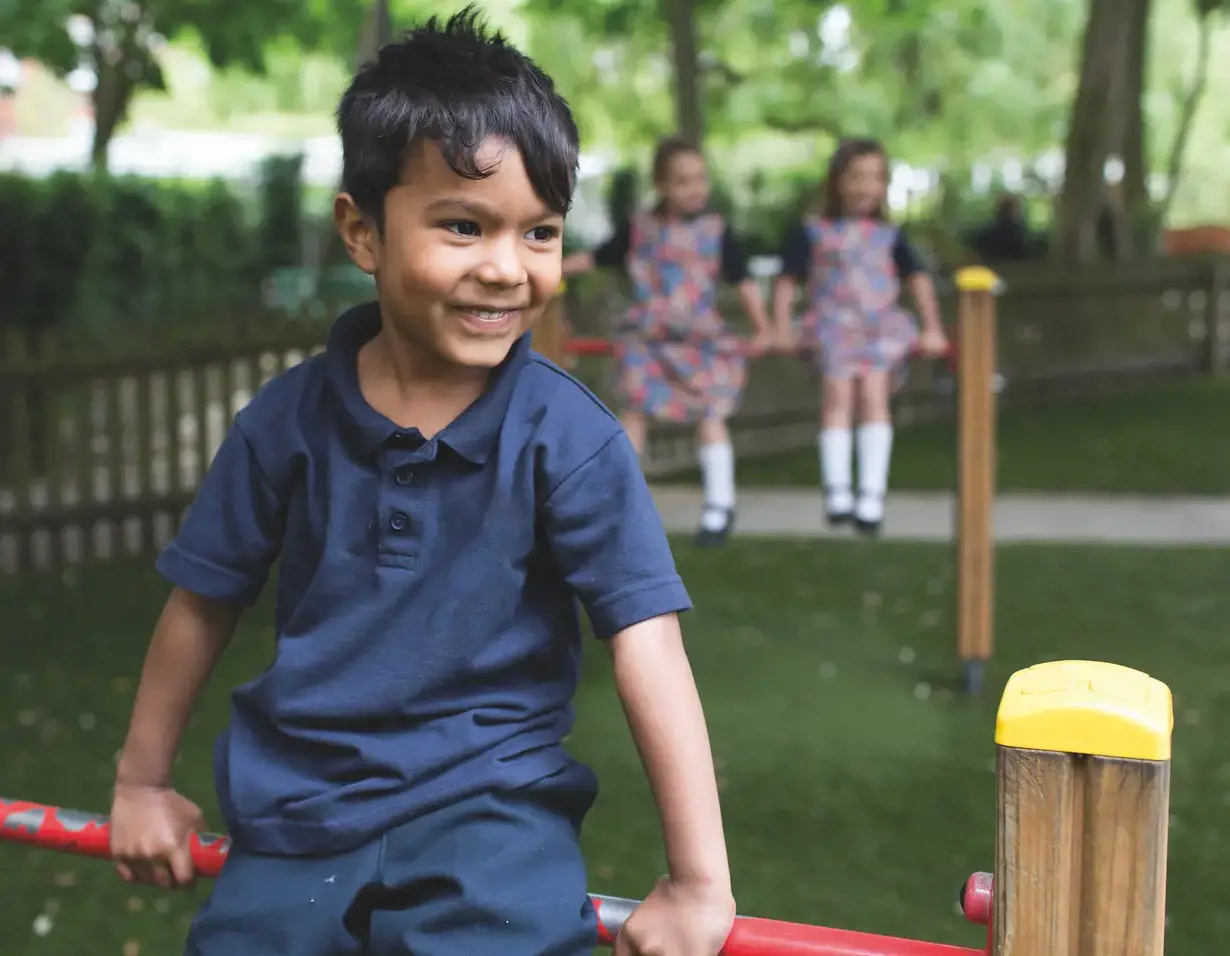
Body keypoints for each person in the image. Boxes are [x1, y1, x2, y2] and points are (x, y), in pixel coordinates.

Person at [106, 11, 735, 956]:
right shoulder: (283, 424)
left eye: (540, 234)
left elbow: (648, 647)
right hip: (296, 814)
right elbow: (203, 601)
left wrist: (698, 881)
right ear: (362, 231)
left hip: (493, 818)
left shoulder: (569, 440)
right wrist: (141, 782)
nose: (504, 268)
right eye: (462, 225)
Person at [562, 138, 774, 547]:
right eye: (682, 181)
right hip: (648, 337)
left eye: (699, 179)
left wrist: (762, 325)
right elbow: (598, 257)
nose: (694, 188)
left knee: (709, 411)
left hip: (698, 339)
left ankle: (720, 504)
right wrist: (549, 266)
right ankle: (618, 504)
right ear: (661, 184)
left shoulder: (716, 232)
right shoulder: (641, 228)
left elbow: (742, 280)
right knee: (635, 410)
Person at [772, 137, 948, 535]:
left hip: (877, 327)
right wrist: (781, 327)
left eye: (875, 178)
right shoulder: (814, 232)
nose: (866, 187)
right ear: (837, 181)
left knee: (873, 394)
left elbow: (917, 280)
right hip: (833, 326)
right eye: (856, 177)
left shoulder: (890, 234)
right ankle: (837, 490)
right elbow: (787, 281)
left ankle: (871, 493)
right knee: (838, 396)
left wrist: (932, 326)